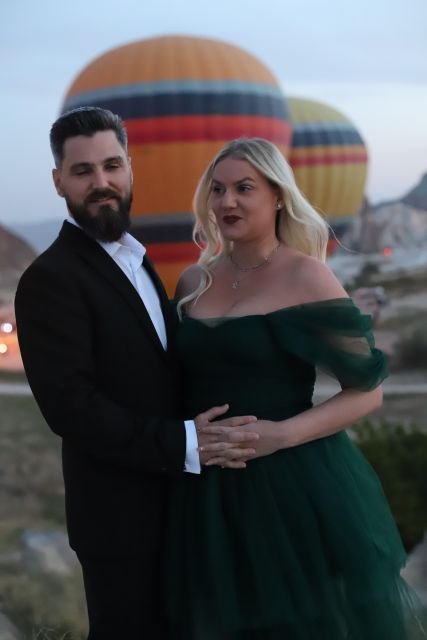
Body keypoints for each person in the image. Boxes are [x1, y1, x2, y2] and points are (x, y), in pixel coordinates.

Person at [14, 107, 259, 639]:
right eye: (83, 172)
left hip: (185, 505)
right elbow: (71, 409)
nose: (101, 183)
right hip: (120, 523)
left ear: (130, 169)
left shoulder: (136, 259)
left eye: (112, 166)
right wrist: (186, 442)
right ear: (59, 182)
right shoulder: (49, 279)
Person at [165, 138, 424, 639]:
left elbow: (367, 392)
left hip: (291, 489)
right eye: (217, 190)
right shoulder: (192, 282)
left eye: (244, 188)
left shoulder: (309, 277)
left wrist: (280, 435)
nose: (227, 202)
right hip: (203, 492)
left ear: (278, 195)